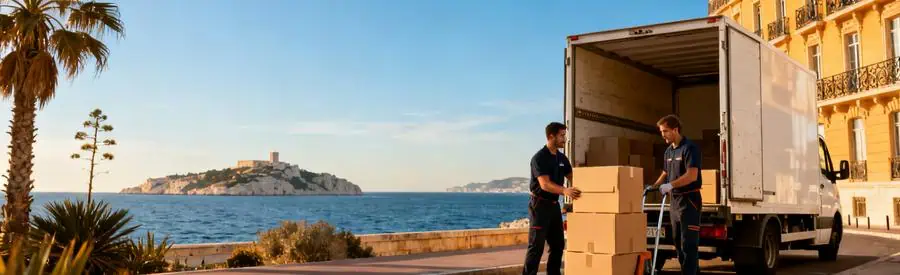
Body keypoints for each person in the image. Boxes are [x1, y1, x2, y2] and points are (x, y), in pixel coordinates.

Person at [522, 122, 581, 275]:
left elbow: (573, 177)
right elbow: (545, 184)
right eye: (562, 135)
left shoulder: (562, 158)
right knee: (536, 247)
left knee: (558, 245)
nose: (564, 139)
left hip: (554, 206)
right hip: (539, 207)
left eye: (564, 135)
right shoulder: (539, 158)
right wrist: (565, 190)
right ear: (551, 136)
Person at [651, 114, 702, 275]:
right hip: (675, 202)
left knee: (688, 244)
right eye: (661, 131)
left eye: (665, 131)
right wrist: (654, 186)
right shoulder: (668, 151)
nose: (663, 135)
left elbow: (692, 175)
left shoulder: (689, 148)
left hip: (689, 201)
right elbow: (666, 172)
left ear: (675, 129)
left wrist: (670, 185)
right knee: (678, 243)